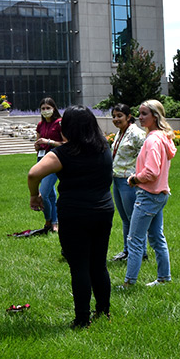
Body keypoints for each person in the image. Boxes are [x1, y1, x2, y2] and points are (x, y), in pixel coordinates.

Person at [28, 105, 113, 328]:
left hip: (75, 214)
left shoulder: (64, 154)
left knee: (79, 266)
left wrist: (34, 195)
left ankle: (82, 319)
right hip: (103, 210)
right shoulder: (104, 147)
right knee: (98, 264)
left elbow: (33, 173)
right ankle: (103, 311)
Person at [122, 100, 176, 288]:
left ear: (155, 116)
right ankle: (163, 278)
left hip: (149, 195)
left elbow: (151, 172)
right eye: (139, 113)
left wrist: (134, 179)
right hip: (159, 194)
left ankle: (129, 283)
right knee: (156, 237)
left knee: (134, 239)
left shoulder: (153, 140)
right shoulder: (163, 137)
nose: (140, 117)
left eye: (144, 113)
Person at [109, 104, 146, 262]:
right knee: (125, 218)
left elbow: (145, 154)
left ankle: (140, 252)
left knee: (133, 218)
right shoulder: (120, 133)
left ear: (128, 116)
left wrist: (138, 175)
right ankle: (127, 250)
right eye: (114, 116)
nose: (116, 119)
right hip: (116, 179)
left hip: (129, 180)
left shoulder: (137, 133)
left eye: (119, 116)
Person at [33, 98, 63, 233]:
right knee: (51, 194)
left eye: (48, 108)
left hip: (54, 160)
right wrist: (37, 145)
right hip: (41, 159)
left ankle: (48, 221)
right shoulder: (40, 125)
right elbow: (38, 144)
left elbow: (65, 144)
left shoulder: (60, 123)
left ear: (54, 108)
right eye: (43, 108)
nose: (45, 111)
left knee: (43, 193)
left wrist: (49, 141)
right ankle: (53, 222)